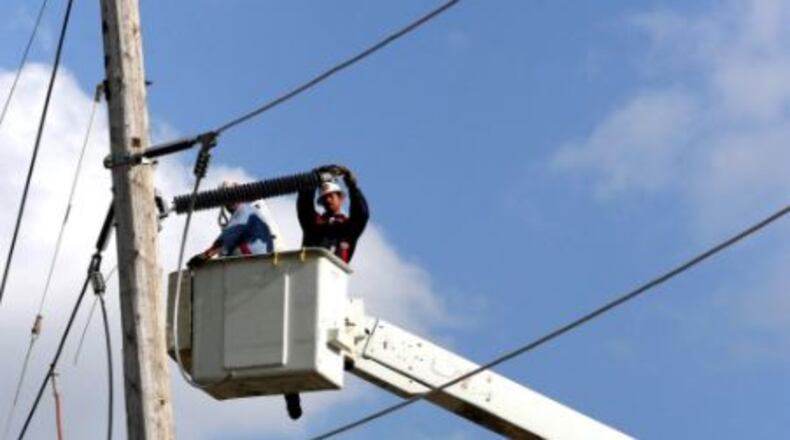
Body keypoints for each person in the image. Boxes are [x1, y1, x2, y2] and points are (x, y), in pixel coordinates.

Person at [282, 165, 369, 420]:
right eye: (325, 197)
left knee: (333, 325)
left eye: (333, 196)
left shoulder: (348, 228)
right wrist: (313, 177)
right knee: (295, 337)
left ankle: (341, 355)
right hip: (305, 284)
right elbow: (303, 206)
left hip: (332, 288)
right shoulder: (315, 225)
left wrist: (353, 185)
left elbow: (362, 214)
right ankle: (291, 392)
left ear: (340, 198)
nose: (329, 200)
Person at [187, 181, 281, 268]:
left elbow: (226, 239)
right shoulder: (253, 211)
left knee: (226, 253)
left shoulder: (243, 211)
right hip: (263, 260)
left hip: (253, 260)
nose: (229, 203)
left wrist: (204, 256)